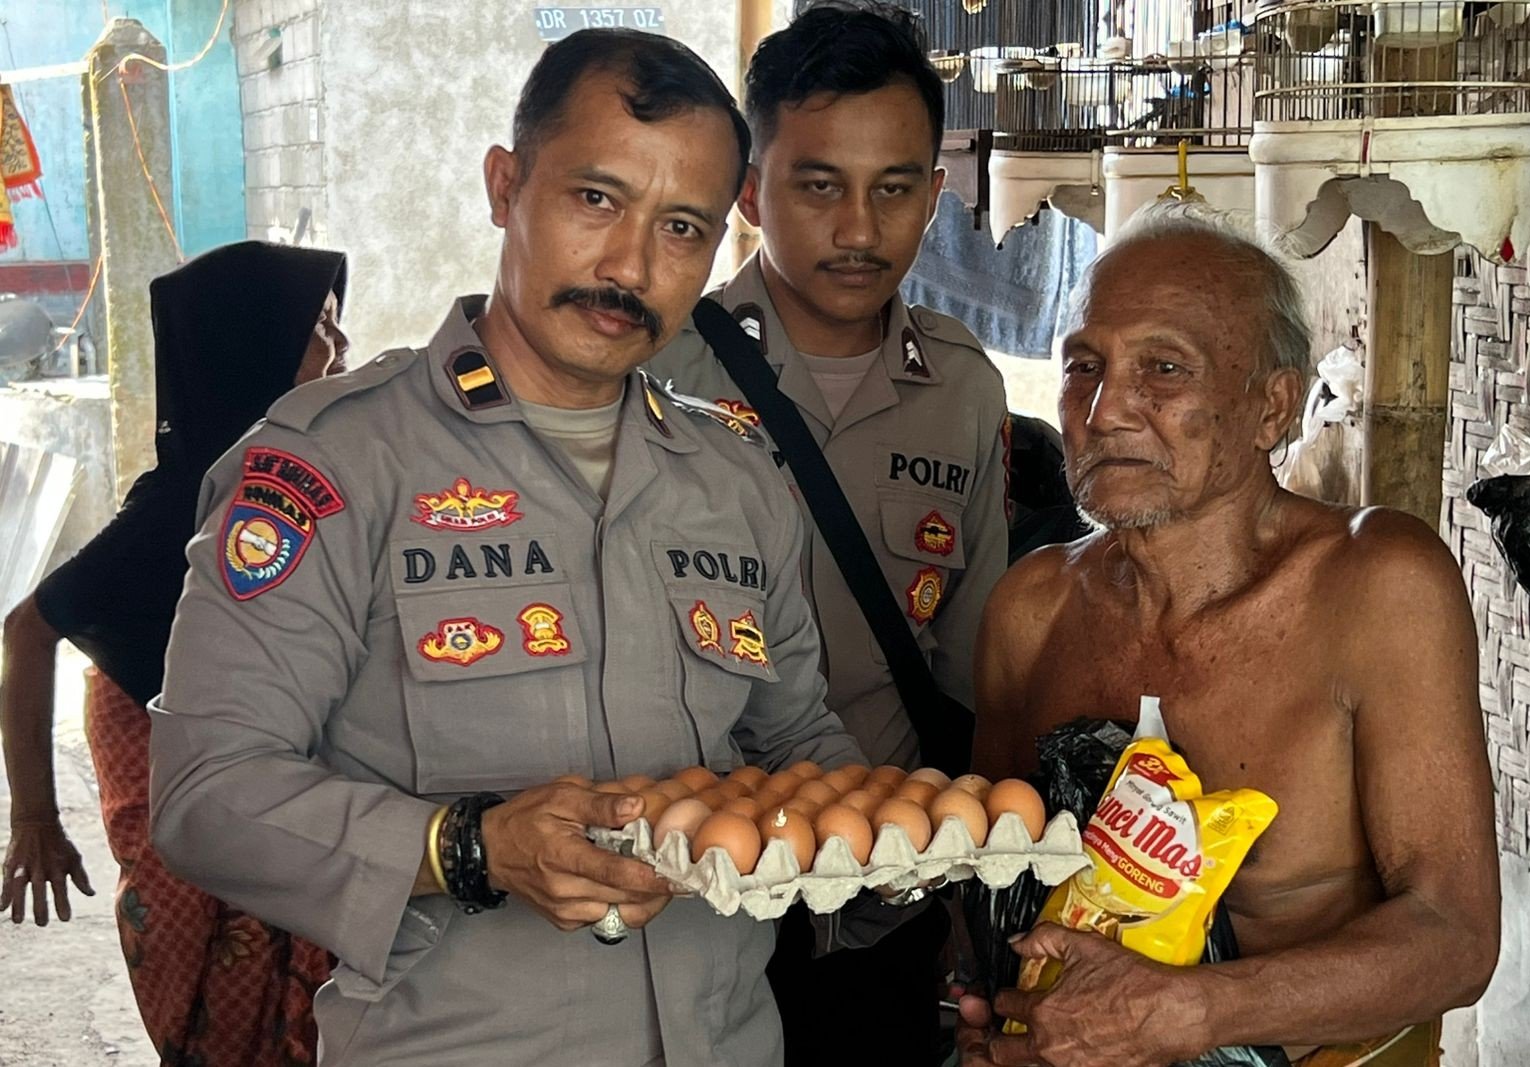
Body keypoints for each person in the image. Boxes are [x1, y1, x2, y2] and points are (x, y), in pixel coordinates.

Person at [147, 30, 870, 1067]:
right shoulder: (337, 464)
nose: (630, 266)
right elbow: (207, 793)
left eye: (681, 227)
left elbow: (794, 735)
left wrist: (909, 839)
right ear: (505, 184)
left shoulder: (735, 478)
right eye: (596, 199)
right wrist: (467, 846)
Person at [957, 203, 1500, 1067]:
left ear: (1271, 407)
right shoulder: (1031, 610)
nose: (1105, 408)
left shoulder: (1376, 589)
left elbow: (1458, 934)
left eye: (1164, 368)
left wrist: (1189, 1012)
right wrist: (994, 1013)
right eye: (1084, 365)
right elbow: (991, 882)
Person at [647, 6, 1009, 1061]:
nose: (859, 228)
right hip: (682, 902)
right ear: (749, 191)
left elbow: (974, 667)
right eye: (818, 186)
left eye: (893, 188)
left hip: (879, 910)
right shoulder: (656, 373)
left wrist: (965, 890)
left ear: (934, 194)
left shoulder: (962, 389)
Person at [1, 240, 349, 1066]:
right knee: (215, 1016)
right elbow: (27, 629)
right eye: (319, 328)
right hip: (169, 765)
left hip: (276, 771)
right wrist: (35, 816)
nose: (342, 345)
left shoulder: (310, 480)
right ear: (252, 347)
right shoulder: (181, 504)